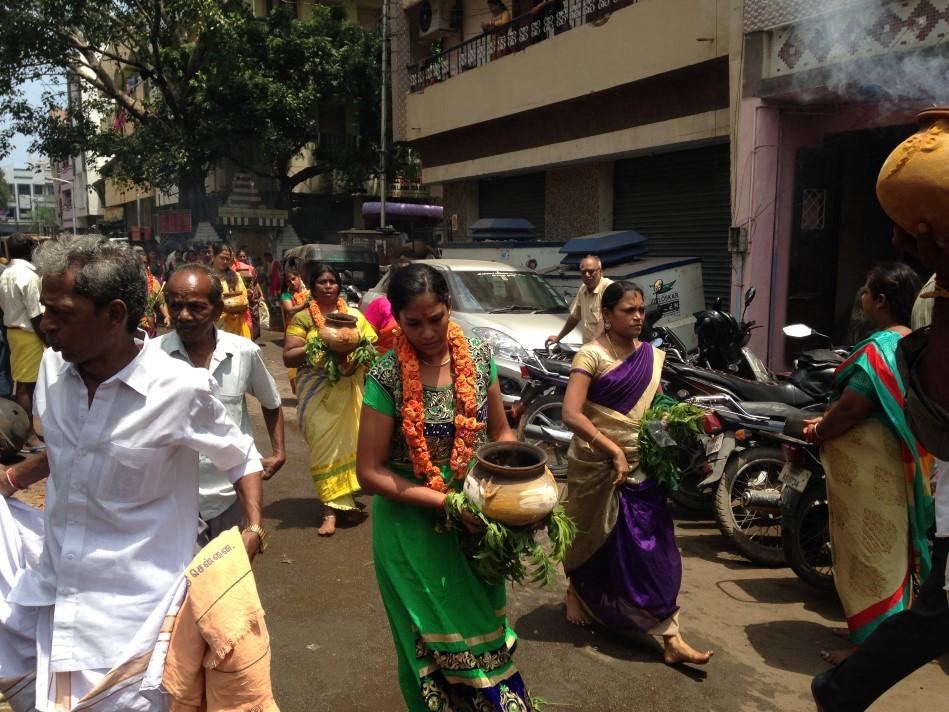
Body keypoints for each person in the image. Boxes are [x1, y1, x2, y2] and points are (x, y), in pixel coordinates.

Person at [0, 236, 266, 710]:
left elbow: (241, 455)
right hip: (52, 602)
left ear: (115, 314)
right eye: (45, 310)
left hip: (139, 629)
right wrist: (16, 478)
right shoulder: (51, 373)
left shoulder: (179, 389)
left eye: (61, 312)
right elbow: (71, 454)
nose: (46, 324)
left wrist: (253, 529)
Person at [356, 263, 534, 710]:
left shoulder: (478, 357)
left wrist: (507, 483)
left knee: (481, 638)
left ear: (449, 306)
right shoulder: (386, 375)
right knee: (430, 650)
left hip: (475, 523)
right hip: (409, 529)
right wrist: (447, 504)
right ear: (395, 317)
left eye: (436, 318)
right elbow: (370, 472)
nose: (428, 332)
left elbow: (501, 434)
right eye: (412, 323)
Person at [560, 280, 713, 666]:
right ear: (606, 316)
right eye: (629, 310)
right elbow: (571, 413)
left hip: (642, 465)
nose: (638, 317)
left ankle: (670, 635)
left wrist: (673, 446)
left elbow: (650, 413)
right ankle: (577, 589)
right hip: (597, 464)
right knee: (592, 535)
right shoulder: (590, 356)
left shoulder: (650, 355)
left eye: (641, 310)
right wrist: (611, 450)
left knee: (653, 546)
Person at [802, 262, 932, 667]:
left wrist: (821, 430)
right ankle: (871, 629)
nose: (861, 298)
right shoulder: (917, 342)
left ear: (880, 300)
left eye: (866, 291)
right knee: (891, 549)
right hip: (896, 467)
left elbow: (854, 407)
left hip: (873, 477)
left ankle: (871, 650)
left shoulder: (882, 349)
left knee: (873, 553)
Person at [157, 264, 286, 544]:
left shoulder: (244, 352)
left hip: (233, 495)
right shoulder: (152, 358)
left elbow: (271, 401)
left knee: (231, 582)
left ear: (217, 311)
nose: (184, 316)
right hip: (173, 500)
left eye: (195, 307)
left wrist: (278, 451)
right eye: (175, 306)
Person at [283, 262, 376, 537]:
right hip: (316, 394)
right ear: (312, 288)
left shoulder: (355, 316)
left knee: (350, 446)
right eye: (321, 282)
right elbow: (288, 356)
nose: (327, 286)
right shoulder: (303, 319)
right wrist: (322, 344)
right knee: (324, 449)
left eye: (332, 282)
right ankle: (329, 511)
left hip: (349, 390)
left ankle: (341, 504)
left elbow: (371, 344)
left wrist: (356, 346)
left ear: (339, 286)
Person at [0, 233, 45, 450]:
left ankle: (29, 432)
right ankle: (28, 436)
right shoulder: (28, 276)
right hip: (29, 333)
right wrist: (47, 339)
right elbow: (36, 314)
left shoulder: (6, 273)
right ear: (29, 249)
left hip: (13, 331)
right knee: (27, 386)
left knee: (23, 382)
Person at [548, 255, 613, 345]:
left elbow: (605, 320)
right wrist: (558, 337)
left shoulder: (608, 287)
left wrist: (591, 347)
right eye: (583, 272)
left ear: (600, 272)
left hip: (607, 351)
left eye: (591, 271)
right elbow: (574, 317)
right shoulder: (583, 289)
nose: (587, 275)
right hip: (591, 350)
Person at [210, 242, 252, 339]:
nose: (225, 261)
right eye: (222, 258)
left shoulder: (235, 276)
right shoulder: (206, 276)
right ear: (213, 257)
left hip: (234, 325)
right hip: (214, 324)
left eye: (227, 259)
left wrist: (234, 304)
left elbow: (243, 297)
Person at [279, 266, 310, 393]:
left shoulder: (309, 293)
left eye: (294, 279)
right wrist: (306, 304)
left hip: (310, 330)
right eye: (288, 281)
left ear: (299, 278)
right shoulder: (286, 295)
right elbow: (290, 309)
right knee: (296, 361)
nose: (292, 282)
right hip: (294, 332)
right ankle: (300, 391)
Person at [133, 245, 170, 337]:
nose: (142, 266)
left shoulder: (154, 282)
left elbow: (161, 301)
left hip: (149, 326)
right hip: (131, 326)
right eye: (138, 263)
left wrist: (166, 315)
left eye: (145, 263)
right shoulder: (126, 281)